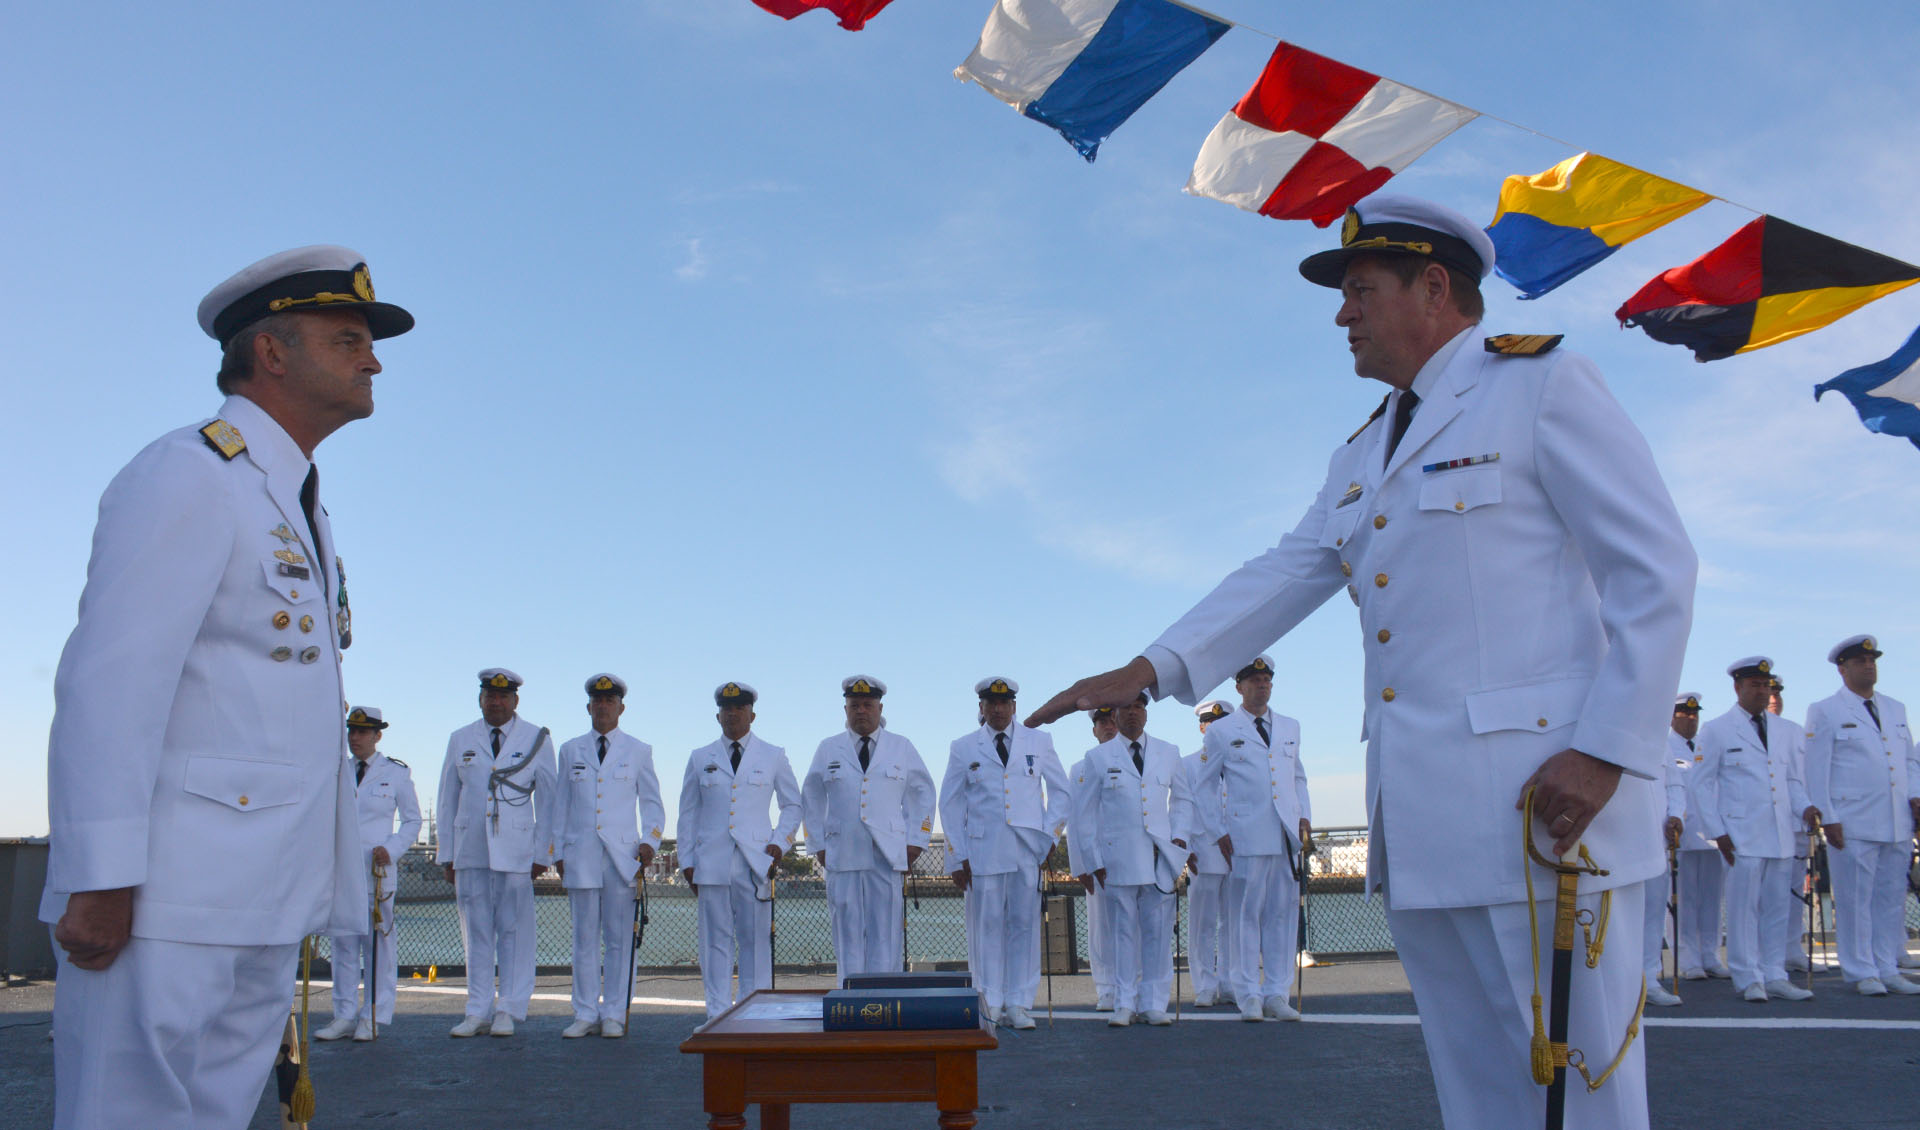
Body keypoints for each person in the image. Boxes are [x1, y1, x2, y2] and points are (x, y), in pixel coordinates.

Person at [1027, 197, 1695, 1129]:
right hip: (1426, 824)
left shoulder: (1542, 386)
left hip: (1549, 814)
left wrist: (1610, 750)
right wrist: (1148, 669)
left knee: (1582, 1096)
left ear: (1434, 288)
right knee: (1481, 1095)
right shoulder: (1360, 451)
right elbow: (1288, 569)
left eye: (1359, 291)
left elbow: (1655, 570)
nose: (1343, 314)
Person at [40, 245, 408, 1128]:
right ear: (272, 353)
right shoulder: (189, 474)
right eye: (349, 337)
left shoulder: (295, 500)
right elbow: (112, 681)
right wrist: (99, 875)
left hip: (260, 894)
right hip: (166, 897)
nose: (374, 359)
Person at [938, 677, 1069, 1029]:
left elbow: (1061, 792)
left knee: (1024, 927)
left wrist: (1050, 839)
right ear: (981, 708)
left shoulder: (1038, 742)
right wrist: (957, 854)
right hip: (983, 852)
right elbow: (949, 805)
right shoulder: (963, 747)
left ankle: (1019, 1003)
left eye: (1004, 703)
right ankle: (989, 1000)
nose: (997, 709)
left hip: (1027, 850)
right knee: (987, 927)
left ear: (1014, 707)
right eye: (990, 703)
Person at [436, 668, 558, 1036]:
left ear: (515, 700)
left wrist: (543, 852)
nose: (496, 701)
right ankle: (477, 1009)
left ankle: (510, 1008)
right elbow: (447, 799)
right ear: (481, 698)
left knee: (515, 933)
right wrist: (447, 853)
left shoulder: (536, 738)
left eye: (503, 695)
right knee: (476, 933)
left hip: (516, 851)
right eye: (490, 695)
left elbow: (550, 802)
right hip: (470, 849)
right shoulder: (461, 738)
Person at [1691, 657, 1819, 1003]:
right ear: (1738, 688)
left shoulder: (1786, 730)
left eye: (1766, 685)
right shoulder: (1717, 730)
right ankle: (1748, 977)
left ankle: (1775, 973)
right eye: (1754, 685)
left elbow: (1792, 780)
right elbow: (1701, 785)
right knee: (1744, 908)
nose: (1762, 691)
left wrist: (1805, 807)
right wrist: (1717, 831)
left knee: (1777, 908)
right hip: (1740, 835)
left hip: (1779, 833)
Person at [1193, 656, 1312, 1021]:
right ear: (1239, 687)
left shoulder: (1290, 726)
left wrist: (1304, 816)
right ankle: (1247, 994)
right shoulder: (1222, 731)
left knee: (1282, 914)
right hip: (1245, 834)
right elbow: (1204, 786)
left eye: (1266, 679)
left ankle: (1277, 992)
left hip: (1284, 834)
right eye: (1255, 680)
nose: (1262, 685)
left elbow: (1297, 778)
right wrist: (1218, 830)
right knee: (1244, 915)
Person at [1803, 635, 1920, 995]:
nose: (1869, 666)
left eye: (1872, 660)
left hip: (1896, 819)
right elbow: (1816, 768)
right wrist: (1829, 817)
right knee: (1855, 900)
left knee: (1890, 899)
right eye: (1860, 661)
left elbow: (1910, 761)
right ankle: (1859, 969)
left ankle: (1886, 966)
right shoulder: (1825, 710)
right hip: (1853, 820)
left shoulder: (1896, 708)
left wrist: (1915, 798)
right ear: (1843, 669)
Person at [677, 682, 801, 1019]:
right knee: (714, 945)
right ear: (718, 714)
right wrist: (686, 861)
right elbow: (688, 814)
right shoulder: (701, 757)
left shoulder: (773, 755)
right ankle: (717, 1014)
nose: (732, 714)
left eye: (739, 708)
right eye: (726, 708)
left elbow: (792, 804)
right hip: (711, 862)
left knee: (756, 943)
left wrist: (779, 843)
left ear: (752, 714)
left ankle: (754, 1014)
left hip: (755, 862)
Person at [550, 674, 664, 1037]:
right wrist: (557, 851)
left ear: (621, 708)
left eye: (609, 701)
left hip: (622, 858)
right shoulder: (570, 750)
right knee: (584, 940)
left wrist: (651, 841)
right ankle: (584, 1012)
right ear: (588, 707)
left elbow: (652, 805)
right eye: (597, 701)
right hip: (580, 856)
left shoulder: (638, 750)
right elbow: (559, 806)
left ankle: (614, 1012)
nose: (603, 707)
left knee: (619, 941)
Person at [801, 676, 937, 982]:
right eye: (854, 705)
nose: (861, 710)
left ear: (879, 707)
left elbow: (923, 794)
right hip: (842, 852)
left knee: (886, 933)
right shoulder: (828, 748)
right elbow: (810, 797)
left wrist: (917, 839)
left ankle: (884, 1001)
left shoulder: (901, 747)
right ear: (845, 709)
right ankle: (850, 1001)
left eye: (867, 705)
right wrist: (816, 844)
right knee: (846, 932)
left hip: (887, 855)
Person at [1071, 693, 1193, 1026]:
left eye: (1139, 707)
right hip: (1117, 859)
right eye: (1127, 708)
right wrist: (1092, 859)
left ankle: (1154, 1002)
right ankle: (1124, 1002)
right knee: (1121, 935)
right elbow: (1084, 815)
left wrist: (1180, 837)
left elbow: (1182, 800)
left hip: (1159, 858)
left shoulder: (1168, 753)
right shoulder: (1098, 757)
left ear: (1146, 713)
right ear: (1116, 713)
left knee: (1157, 933)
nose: (1133, 714)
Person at [318, 706, 422, 1041]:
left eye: (363, 732)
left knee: (378, 948)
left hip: (376, 871)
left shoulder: (396, 774)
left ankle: (374, 1014)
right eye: (352, 731)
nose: (355, 738)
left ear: (378, 736)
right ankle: (344, 1013)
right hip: (342, 871)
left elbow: (412, 821)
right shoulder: (337, 771)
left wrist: (391, 850)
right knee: (344, 945)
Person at [1672, 693, 1731, 979]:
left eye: (1695, 714)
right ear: (1673, 716)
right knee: (1686, 900)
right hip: (1685, 835)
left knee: (1711, 899)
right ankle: (1687, 958)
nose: (1692, 718)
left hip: (1712, 832)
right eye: (1685, 713)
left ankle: (1710, 954)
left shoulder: (1707, 744)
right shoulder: (1665, 747)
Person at [1068, 707, 1122, 1010]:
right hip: (1097, 858)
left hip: (1130, 856)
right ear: (1094, 729)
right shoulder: (1080, 768)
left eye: (1113, 720)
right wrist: (1080, 865)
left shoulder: (1136, 761)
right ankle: (1106, 988)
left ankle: (1131, 984)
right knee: (1101, 927)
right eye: (1103, 721)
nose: (1109, 726)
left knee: (1133, 925)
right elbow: (1075, 819)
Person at [1182, 700, 1234, 1007]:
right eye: (1209, 723)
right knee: (1202, 923)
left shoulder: (1240, 760)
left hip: (1240, 852)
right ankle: (1204, 984)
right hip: (1204, 850)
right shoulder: (1188, 764)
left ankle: (1229, 982)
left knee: (1234, 921)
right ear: (1202, 728)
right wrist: (1186, 847)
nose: (1214, 728)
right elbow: (1182, 808)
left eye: (1221, 723)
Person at [1765, 675, 1814, 974]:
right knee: (1768, 892)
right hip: (1769, 823)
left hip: (1798, 822)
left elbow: (1805, 776)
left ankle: (1791, 947)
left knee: (1797, 891)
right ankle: (1765, 952)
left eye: (1778, 694)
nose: (1774, 699)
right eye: (1770, 693)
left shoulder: (1796, 732)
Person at [1642, 697, 1688, 1007]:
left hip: (1655, 841)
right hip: (1618, 843)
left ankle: (1649, 978)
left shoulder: (1658, 736)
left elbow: (1675, 785)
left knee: (1653, 915)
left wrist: (1677, 816)